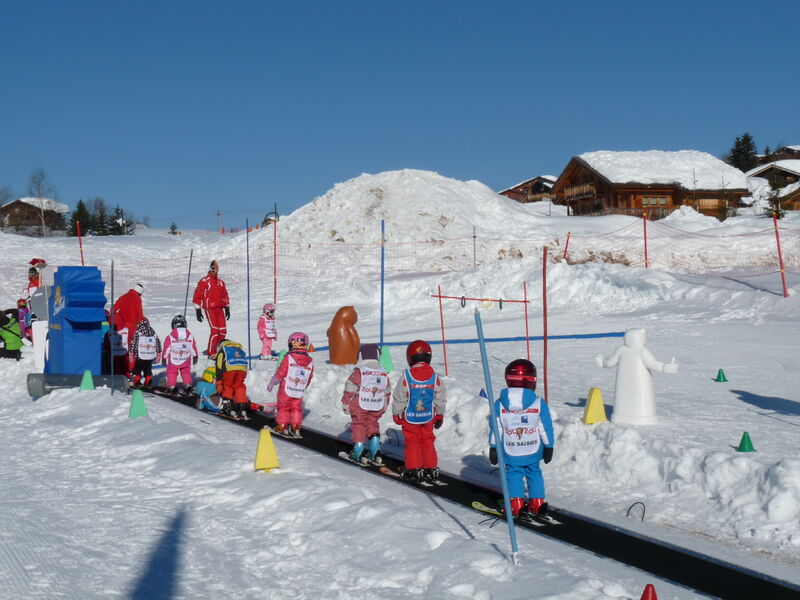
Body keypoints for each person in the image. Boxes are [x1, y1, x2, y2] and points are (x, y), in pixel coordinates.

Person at [488, 359, 554, 517]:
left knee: (514, 474)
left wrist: (494, 446)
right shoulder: (538, 403)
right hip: (532, 449)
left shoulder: (500, 405)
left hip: (512, 450)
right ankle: (537, 503)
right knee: (534, 473)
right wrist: (549, 446)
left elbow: (496, 428)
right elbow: (545, 427)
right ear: (532, 380)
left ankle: (516, 504)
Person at [391, 340, 447, 484]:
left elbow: (399, 397)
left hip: (410, 417)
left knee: (412, 441)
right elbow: (440, 398)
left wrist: (397, 413)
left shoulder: (407, 377)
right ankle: (431, 468)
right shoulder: (435, 377)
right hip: (428, 416)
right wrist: (440, 414)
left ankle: (413, 468)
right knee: (428, 440)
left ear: (409, 357)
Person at [341, 343, 391, 463]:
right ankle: (375, 450)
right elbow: (387, 390)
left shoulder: (360, 371)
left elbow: (350, 387)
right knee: (372, 423)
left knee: (359, 424)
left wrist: (346, 402)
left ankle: (358, 450)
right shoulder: (383, 372)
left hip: (360, 403)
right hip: (377, 403)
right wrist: (384, 404)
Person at [267, 332, 314, 437]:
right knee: (296, 408)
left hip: (286, 388)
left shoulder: (289, 357)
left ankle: (282, 426)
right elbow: (309, 377)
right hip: (299, 390)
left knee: (283, 406)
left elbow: (281, 372)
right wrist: (303, 386)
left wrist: (273, 382)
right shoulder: (310, 361)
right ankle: (295, 426)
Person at [192, 260, 230, 357]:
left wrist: (227, 307)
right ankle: (211, 352)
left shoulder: (220, 282)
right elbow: (198, 295)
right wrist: (198, 310)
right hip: (210, 309)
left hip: (219, 309)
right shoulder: (205, 281)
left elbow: (224, 295)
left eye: (216, 270)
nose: (214, 271)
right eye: (213, 269)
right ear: (210, 269)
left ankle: (219, 350)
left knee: (222, 330)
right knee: (215, 330)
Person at [162, 314, 199, 394]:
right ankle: (188, 385)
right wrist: (195, 356)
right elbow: (193, 347)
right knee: (185, 371)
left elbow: (166, 348)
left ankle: (171, 386)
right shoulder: (190, 336)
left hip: (174, 360)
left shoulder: (170, 337)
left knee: (172, 371)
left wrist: (164, 358)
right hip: (185, 359)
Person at [215, 338, 249, 419]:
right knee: (239, 387)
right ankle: (242, 408)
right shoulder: (238, 349)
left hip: (230, 369)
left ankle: (228, 407)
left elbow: (219, 367)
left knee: (228, 386)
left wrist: (219, 382)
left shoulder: (222, 350)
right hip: (242, 369)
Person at [129, 317, 162, 388]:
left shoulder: (138, 333)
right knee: (148, 368)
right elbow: (158, 343)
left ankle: (137, 380)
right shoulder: (153, 333)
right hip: (150, 356)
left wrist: (131, 353)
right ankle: (148, 380)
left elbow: (134, 343)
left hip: (140, 356)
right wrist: (158, 353)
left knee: (137, 368)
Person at [113, 283, 145, 355]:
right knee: (131, 347)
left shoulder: (123, 297)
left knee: (122, 346)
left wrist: (119, 318)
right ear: (139, 293)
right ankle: (130, 364)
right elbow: (139, 313)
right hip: (132, 326)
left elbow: (112, 310)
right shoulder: (137, 298)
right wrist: (142, 323)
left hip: (121, 326)